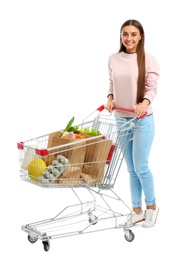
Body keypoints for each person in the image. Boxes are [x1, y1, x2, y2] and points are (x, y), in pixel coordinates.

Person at [105, 19, 160, 228]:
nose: (129, 38)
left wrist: (144, 103)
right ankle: (136, 210)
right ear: (121, 36)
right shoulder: (113, 58)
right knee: (130, 168)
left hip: (142, 120)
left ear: (141, 36)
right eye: (125, 34)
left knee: (141, 166)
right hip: (121, 118)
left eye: (133, 34)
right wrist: (110, 98)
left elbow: (152, 88)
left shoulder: (148, 59)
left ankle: (152, 208)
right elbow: (111, 83)